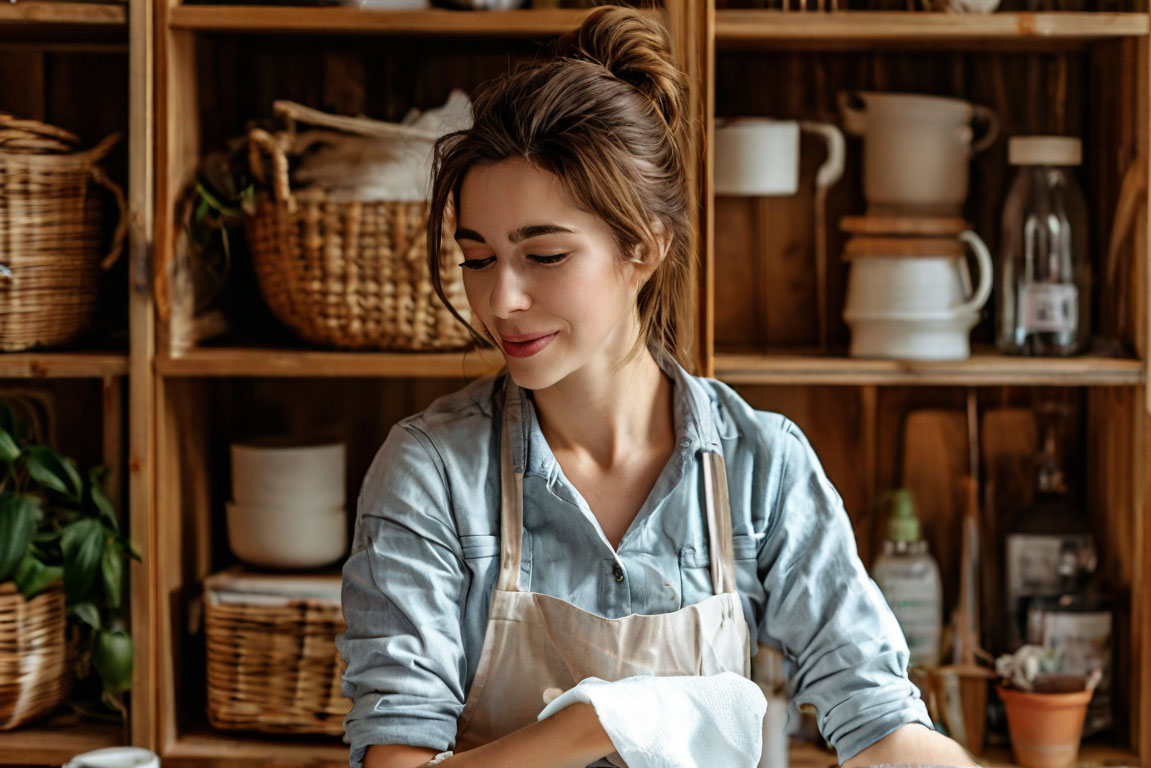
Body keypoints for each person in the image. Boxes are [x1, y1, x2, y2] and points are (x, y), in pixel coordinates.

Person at [336, 6, 977, 768]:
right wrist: (606, 721)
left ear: (644, 245)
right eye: (478, 258)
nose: (500, 299)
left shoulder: (759, 468)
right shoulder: (434, 474)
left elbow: (881, 726)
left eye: (542, 256)